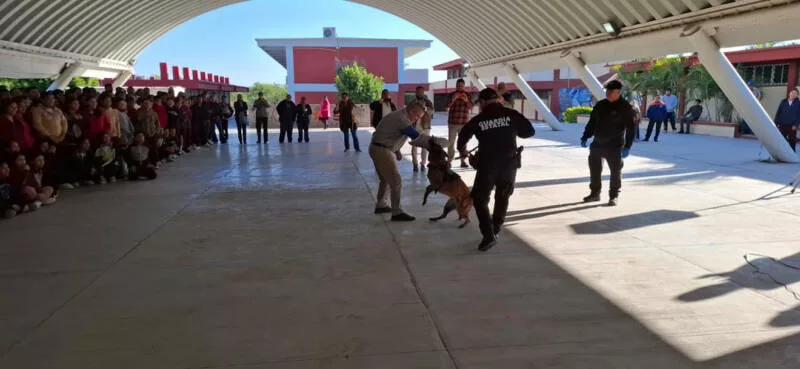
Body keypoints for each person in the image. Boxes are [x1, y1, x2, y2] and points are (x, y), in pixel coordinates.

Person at [457, 88, 535, 252]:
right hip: (509, 164)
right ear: (498, 100)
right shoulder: (511, 114)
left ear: (483, 103)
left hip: (487, 165)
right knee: (503, 195)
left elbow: (463, 135)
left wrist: (463, 150)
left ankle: (488, 235)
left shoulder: (479, 119)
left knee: (480, 198)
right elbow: (529, 131)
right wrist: (512, 131)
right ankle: (496, 228)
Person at [369, 100, 428, 222]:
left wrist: (397, 150)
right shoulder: (402, 119)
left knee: (386, 178)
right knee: (396, 180)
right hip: (381, 149)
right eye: (417, 116)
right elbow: (416, 137)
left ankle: (381, 205)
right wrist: (434, 143)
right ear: (411, 111)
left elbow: (393, 133)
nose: (417, 119)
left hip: (379, 147)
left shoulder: (402, 116)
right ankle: (396, 212)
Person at [580, 80, 636, 206]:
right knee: (594, 170)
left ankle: (614, 196)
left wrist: (627, 146)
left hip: (614, 145)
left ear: (618, 92)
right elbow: (592, 123)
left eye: (610, 91)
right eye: (607, 90)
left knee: (615, 172)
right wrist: (585, 136)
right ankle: (595, 193)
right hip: (597, 143)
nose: (608, 93)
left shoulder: (626, 108)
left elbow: (631, 129)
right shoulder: (600, 105)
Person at [446, 78, 473, 168]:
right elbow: (446, 107)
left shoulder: (468, 95)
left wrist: (466, 100)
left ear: (464, 86)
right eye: (458, 86)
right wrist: (453, 99)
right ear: (456, 86)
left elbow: (470, 107)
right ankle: (449, 161)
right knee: (451, 143)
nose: (459, 87)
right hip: (453, 122)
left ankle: (463, 161)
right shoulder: (451, 94)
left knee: (463, 143)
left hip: (464, 122)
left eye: (461, 86)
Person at [411, 86, 434, 172]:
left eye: (421, 92)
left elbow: (432, 111)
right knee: (414, 146)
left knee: (425, 146)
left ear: (423, 92)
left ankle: (423, 164)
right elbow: (408, 112)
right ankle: (415, 164)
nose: (420, 93)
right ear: (416, 93)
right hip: (414, 126)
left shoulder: (428, 102)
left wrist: (426, 109)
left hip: (426, 126)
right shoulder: (412, 102)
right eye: (418, 92)